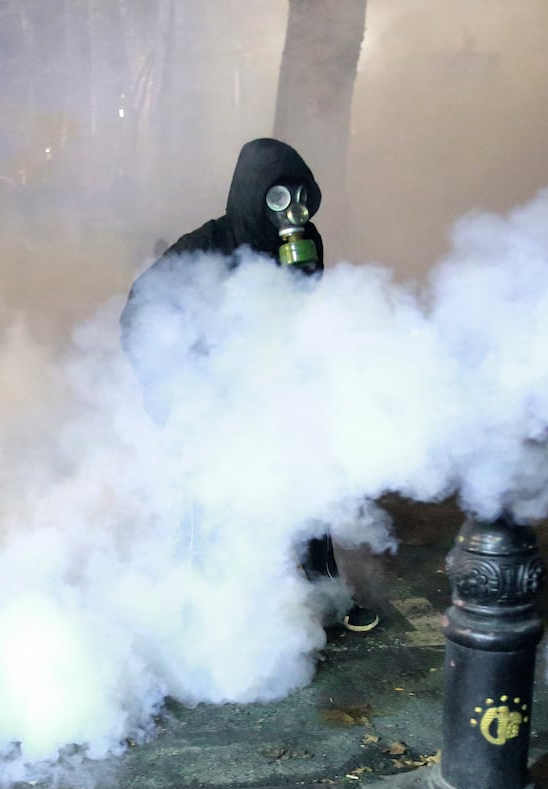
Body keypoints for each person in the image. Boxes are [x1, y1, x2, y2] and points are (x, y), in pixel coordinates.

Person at [122, 137, 379, 634]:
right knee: (203, 501)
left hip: (277, 386)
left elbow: (304, 312)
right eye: (277, 197)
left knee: (307, 491)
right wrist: (177, 378)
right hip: (214, 392)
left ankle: (330, 595)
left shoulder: (305, 243)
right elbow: (141, 307)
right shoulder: (206, 244)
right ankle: (185, 605)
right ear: (250, 193)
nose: (292, 211)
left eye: (300, 196)